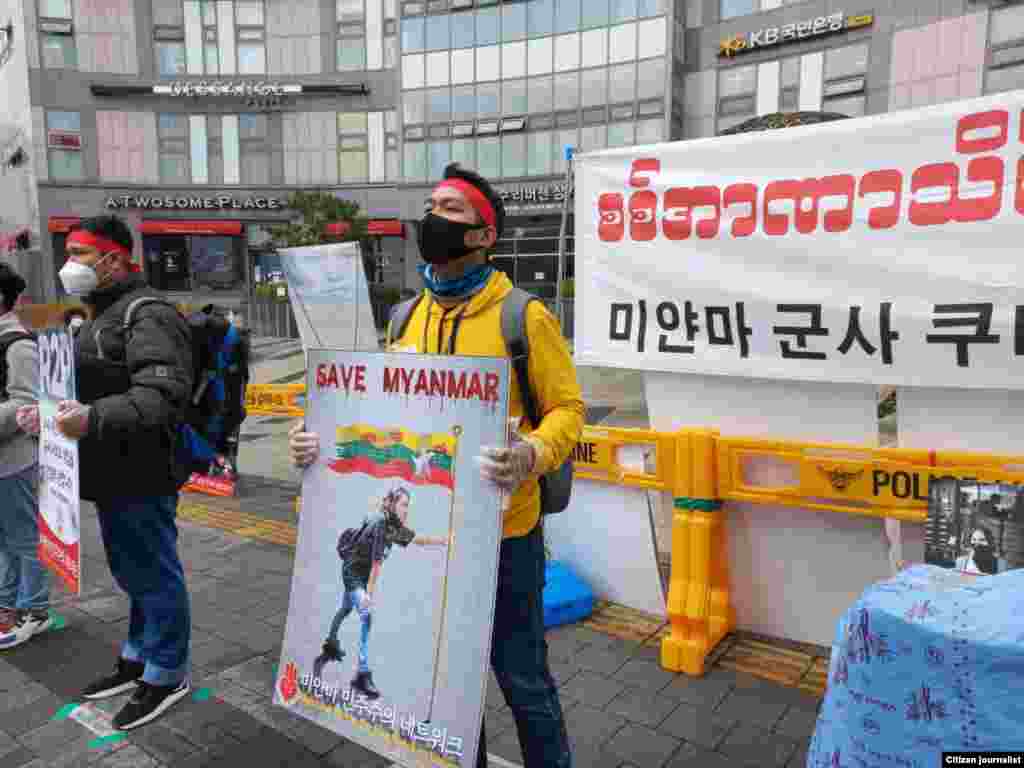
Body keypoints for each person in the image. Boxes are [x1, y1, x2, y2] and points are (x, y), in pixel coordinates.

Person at [291, 163, 584, 768]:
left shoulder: (522, 318)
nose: (433, 217)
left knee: (523, 682)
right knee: (449, 687)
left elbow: (568, 410)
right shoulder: (405, 318)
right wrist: (316, 444)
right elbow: (378, 414)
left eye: (450, 209)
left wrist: (531, 452)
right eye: (431, 204)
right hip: (431, 545)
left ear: (484, 236)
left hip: (506, 539)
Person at [16, 215, 194, 731]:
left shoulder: (148, 314)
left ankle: (166, 672)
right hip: (112, 469)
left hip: (143, 471)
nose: (69, 264)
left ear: (114, 258)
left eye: (78, 253)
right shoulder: (97, 313)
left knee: (154, 571)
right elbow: (85, 387)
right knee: (133, 569)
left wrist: (90, 416)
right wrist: (46, 414)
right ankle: (138, 656)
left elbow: (160, 397)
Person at [311, 486, 448, 698]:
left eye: (407, 506)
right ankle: (362, 675)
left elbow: (416, 540)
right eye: (403, 505)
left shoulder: (392, 525)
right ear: (392, 504)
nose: (406, 510)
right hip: (353, 573)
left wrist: (443, 540)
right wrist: (368, 598)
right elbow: (376, 565)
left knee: (346, 609)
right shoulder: (380, 525)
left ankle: (330, 644)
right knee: (366, 617)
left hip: (360, 572)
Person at [0, 262, 48, 648]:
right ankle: (7, 604)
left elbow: (26, 404)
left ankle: (34, 609)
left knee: (23, 538)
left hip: (14, 460)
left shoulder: (18, 344)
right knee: (3, 541)